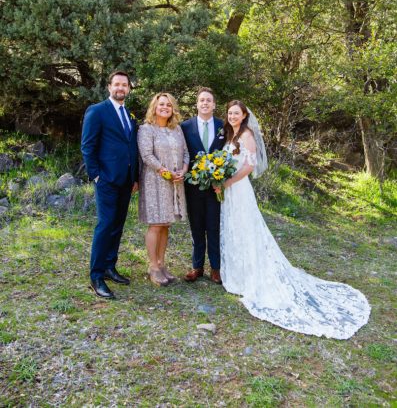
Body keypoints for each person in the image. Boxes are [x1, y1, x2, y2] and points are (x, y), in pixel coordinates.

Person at [214, 100, 371, 339]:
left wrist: (228, 182)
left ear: (244, 115)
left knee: (246, 229)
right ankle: (236, 275)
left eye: (237, 113)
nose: (233, 116)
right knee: (233, 230)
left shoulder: (246, 135)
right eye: (230, 113)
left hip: (239, 189)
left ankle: (252, 276)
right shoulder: (229, 134)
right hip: (228, 192)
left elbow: (249, 166)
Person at [81, 70, 139, 300]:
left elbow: (130, 146)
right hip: (106, 179)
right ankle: (96, 276)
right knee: (105, 225)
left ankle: (109, 266)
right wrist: (96, 175)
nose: (120, 88)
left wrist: (135, 177)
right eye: (116, 84)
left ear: (128, 89)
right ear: (109, 87)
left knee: (117, 225)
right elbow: (87, 146)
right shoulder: (97, 111)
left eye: (124, 85)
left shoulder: (130, 115)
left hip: (126, 180)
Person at [138, 93, 189, 286]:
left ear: (172, 109)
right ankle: (153, 266)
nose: (165, 107)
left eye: (168, 105)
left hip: (175, 181)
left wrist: (183, 170)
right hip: (155, 181)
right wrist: (164, 171)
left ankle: (161, 263)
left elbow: (186, 153)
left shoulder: (176, 130)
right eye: (161, 104)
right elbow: (147, 156)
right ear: (154, 107)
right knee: (156, 224)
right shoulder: (146, 129)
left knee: (166, 223)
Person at [181, 87, 225, 284]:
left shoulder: (223, 127)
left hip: (216, 186)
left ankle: (216, 268)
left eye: (209, 100)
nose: (205, 103)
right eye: (202, 100)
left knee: (214, 227)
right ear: (197, 104)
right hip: (193, 186)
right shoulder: (185, 126)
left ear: (214, 105)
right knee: (196, 226)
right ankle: (197, 266)